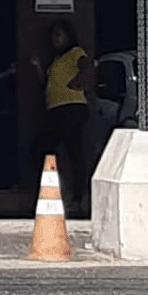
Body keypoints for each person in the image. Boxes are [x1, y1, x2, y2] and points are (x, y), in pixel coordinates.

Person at [35, 20, 94, 216]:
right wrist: (37, 67)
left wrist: (76, 85)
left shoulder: (76, 52)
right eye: (53, 36)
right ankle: (61, 195)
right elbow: (46, 84)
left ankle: (77, 199)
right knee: (48, 150)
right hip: (55, 108)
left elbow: (87, 69)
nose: (55, 40)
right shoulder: (56, 59)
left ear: (68, 36)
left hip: (71, 107)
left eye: (59, 35)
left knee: (74, 151)